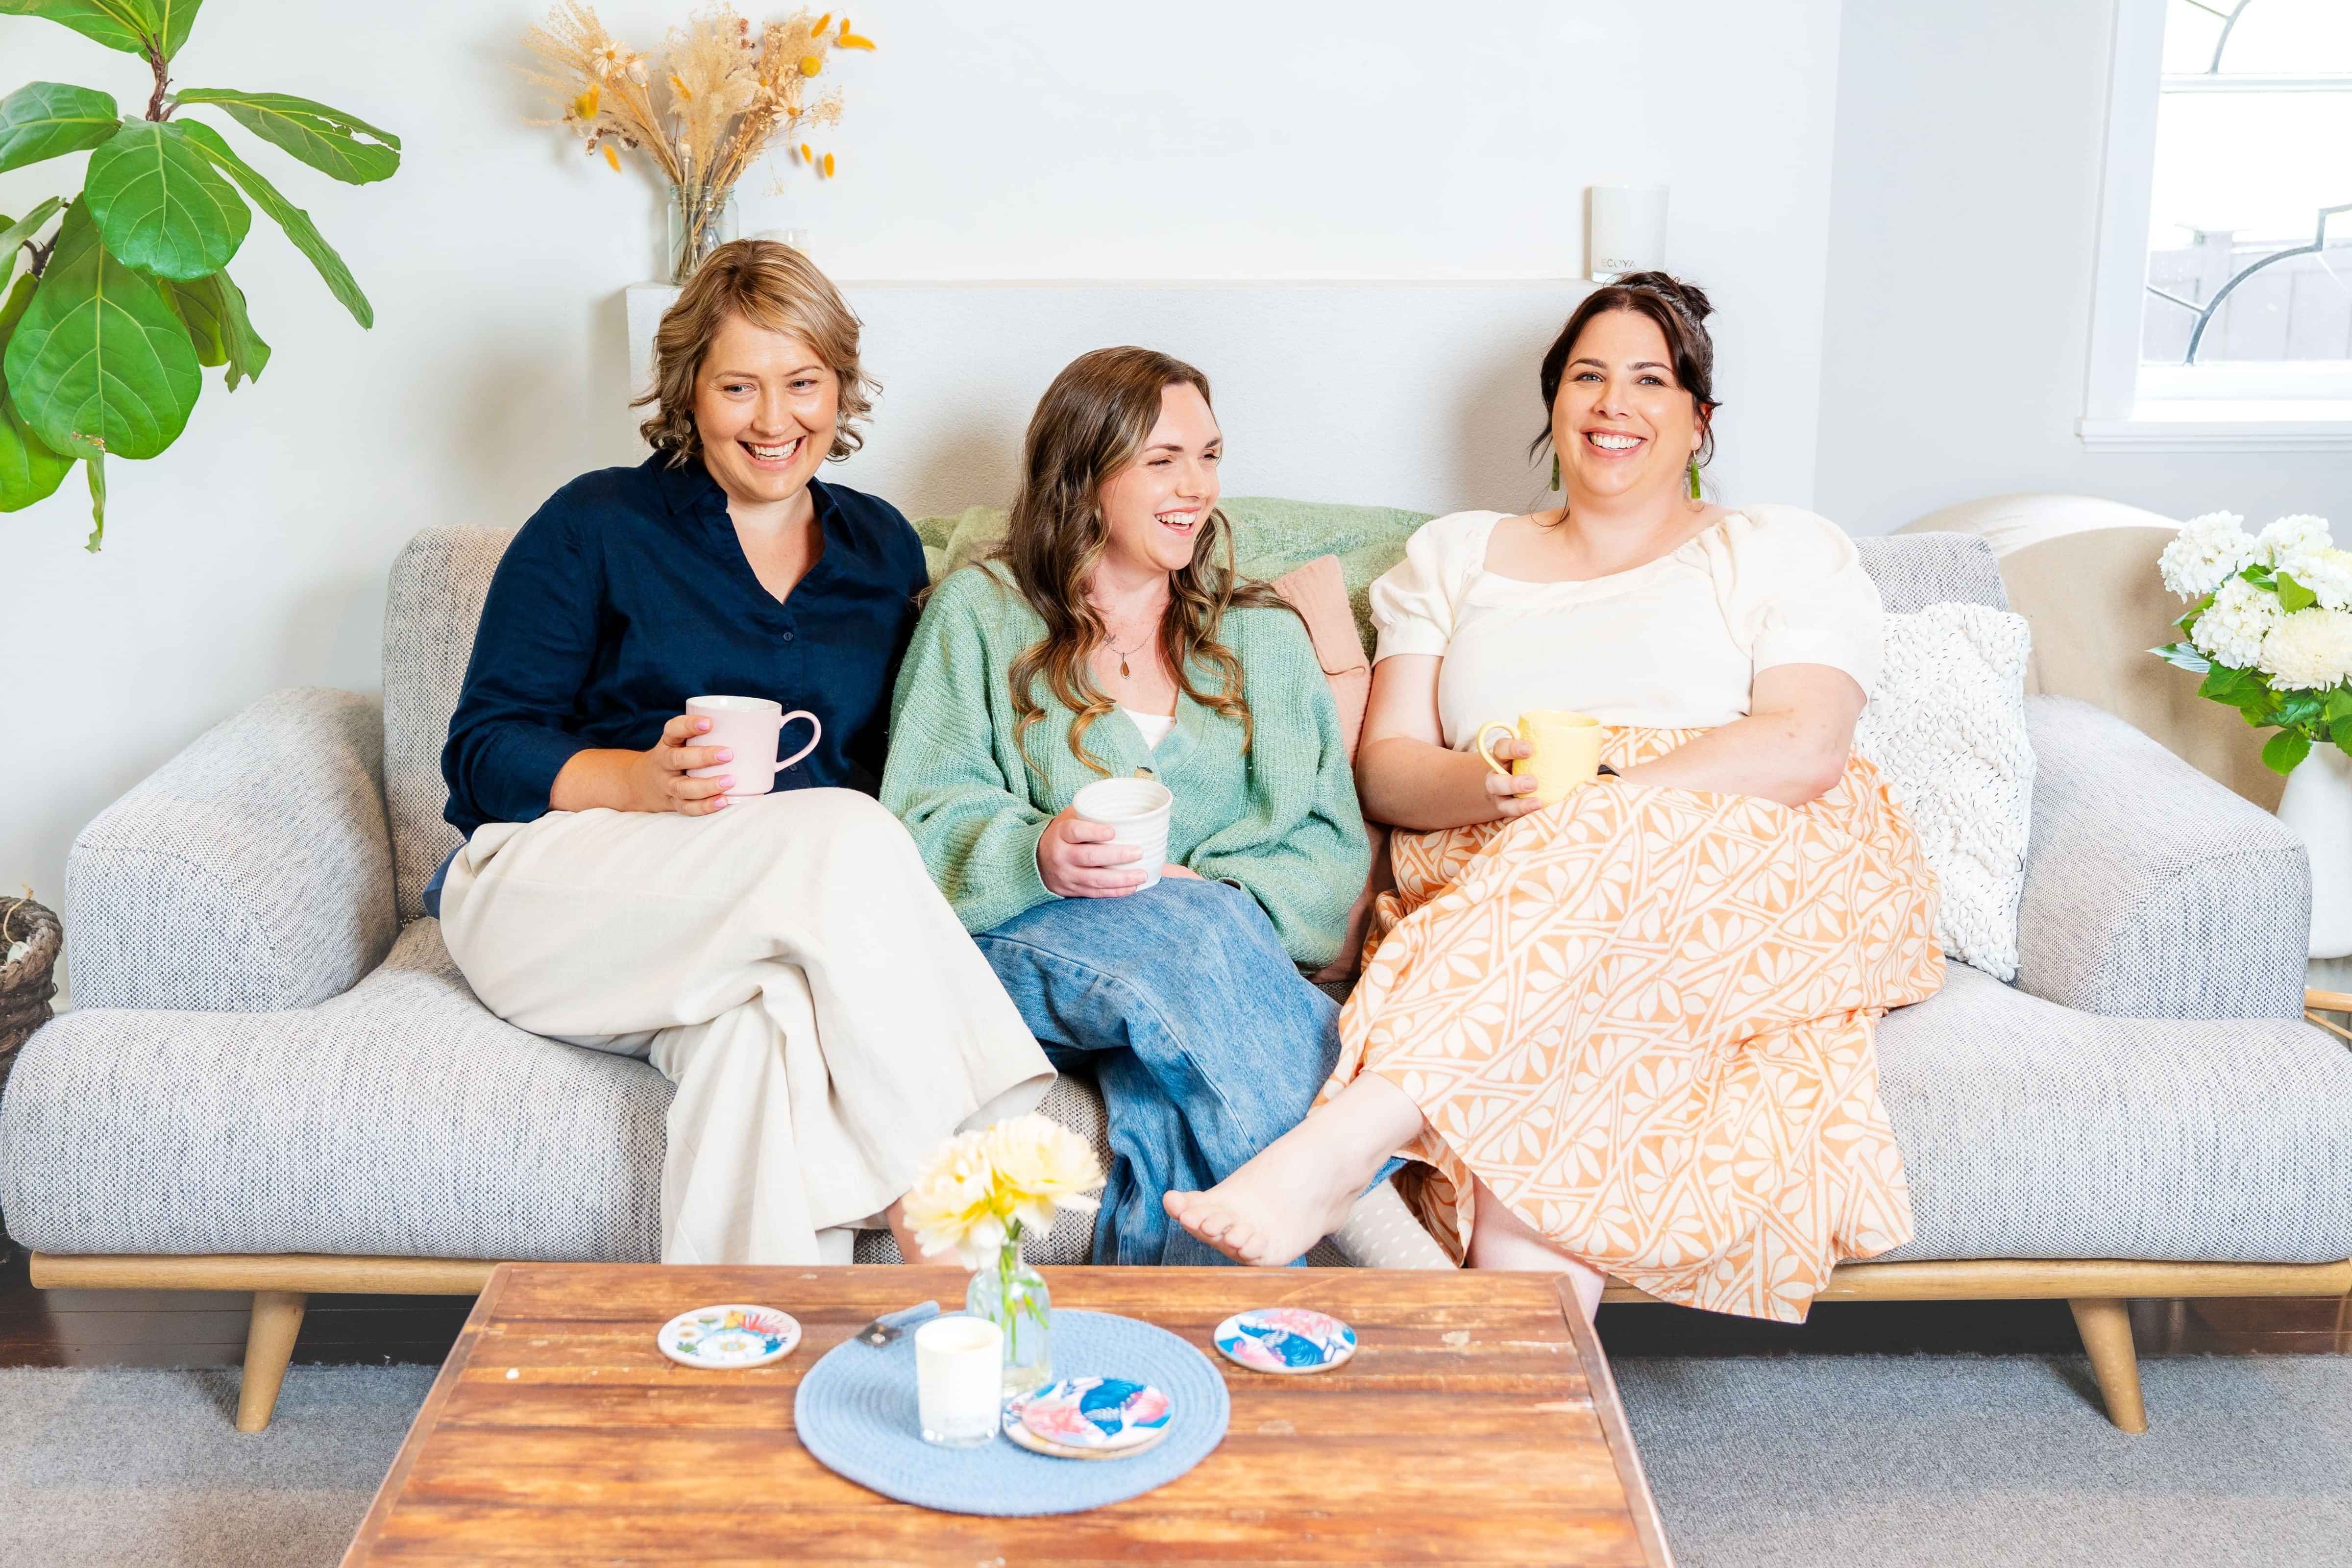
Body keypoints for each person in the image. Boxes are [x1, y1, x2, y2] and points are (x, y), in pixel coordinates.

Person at [1164, 273, 1945, 1322]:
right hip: (1515, 873)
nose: (1613, 403)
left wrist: (1607, 798)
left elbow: (1804, 746)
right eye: (1587, 376)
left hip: (1751, 858)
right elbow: (1389, 767)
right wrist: (1481, 778)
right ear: (1553, 407)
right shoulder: (1456, 556)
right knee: (1551, 1086)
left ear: (1699, 420)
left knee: (1590, 864)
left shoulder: (1775, 549)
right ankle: (1528, 1398)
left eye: (1649, 380)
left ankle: (1347, 1142)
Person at [430, 240, 1051, 1268]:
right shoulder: (595, 523)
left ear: (841, 386)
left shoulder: (880, 548)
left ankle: (741, 1362)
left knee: (758, 1037)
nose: (775, 420)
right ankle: (951, 1201)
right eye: (738, 387)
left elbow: (901, 754)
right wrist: (636, 780)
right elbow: (480, 756)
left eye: (803, 382)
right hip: (560, 895)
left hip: (756, 925)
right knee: (847, 836)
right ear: (687, 393)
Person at [881, 346, 1372, 1266]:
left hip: (1199, 983)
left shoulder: (1263, 640)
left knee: (1174, 1122)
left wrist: (1210, 891)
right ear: (1085, 474)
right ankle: (1358, 1195)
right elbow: (915, 816)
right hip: (1018, 955)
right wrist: (1037, 853)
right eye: (1163, 461)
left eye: (1211, 456)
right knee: (1189, 932)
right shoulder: (980, 616)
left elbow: (1329, 847)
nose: (1198, 486)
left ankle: (1183, 1367)